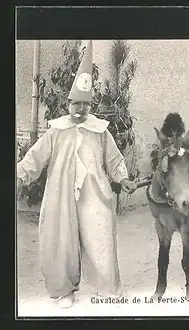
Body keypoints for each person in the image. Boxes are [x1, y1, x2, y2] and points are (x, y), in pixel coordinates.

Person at [16, 40, 137, 308]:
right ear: (68, 104)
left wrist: (124, 179)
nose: (80, 109)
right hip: (61, 193)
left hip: (94, 192)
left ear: (90, 104)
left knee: (101, 236)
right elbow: (35, 157)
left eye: (85, 105)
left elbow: (114, 159)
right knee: (60, 241)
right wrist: (19, 175)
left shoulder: (100, 130)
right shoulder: (56, 130)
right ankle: (64, 291)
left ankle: (107, 289)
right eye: (76, 104)